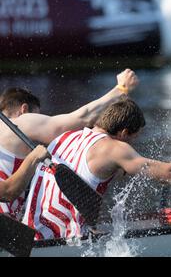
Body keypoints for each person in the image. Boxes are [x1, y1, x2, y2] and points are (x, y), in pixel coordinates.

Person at [22, 99, 171, 240]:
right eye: (134, 138)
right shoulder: (114, 148)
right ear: (124, 132)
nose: (133, 144)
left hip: (30, 233)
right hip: (62, 242)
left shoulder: (64, 137)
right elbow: (170, 174)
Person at [0, 69, 138, 219]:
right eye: (37, 115)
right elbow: (84, 117)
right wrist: (121, 89)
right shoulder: (20, 122)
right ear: (24, 109)